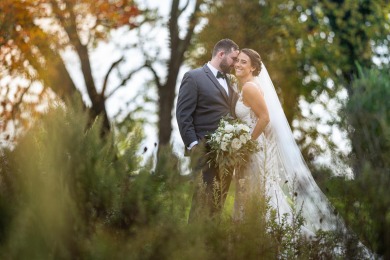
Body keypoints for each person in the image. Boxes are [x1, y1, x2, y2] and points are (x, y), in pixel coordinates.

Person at [233, 48, 343, 233]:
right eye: (237, 60)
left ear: (252, 67)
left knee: (259, 193)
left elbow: (265, 117)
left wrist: (247, 143)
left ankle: (270, 235)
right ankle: (264, 235)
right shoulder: (251, 85)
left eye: (244, 62)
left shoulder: (249, 87)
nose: (238, 64)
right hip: (258, 148)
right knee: (260, 192)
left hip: (253, 149)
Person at [176, 39, 239, 222]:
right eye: (234, 59)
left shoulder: (232, 82)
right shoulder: (193, 77)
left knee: (217, 208)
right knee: (201, 207)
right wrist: (194, 145)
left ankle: (211, 249)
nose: (235, 64)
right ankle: (192, 248)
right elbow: (183, 115)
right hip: (203, 154)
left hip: (228, 158)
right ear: (221, 54)